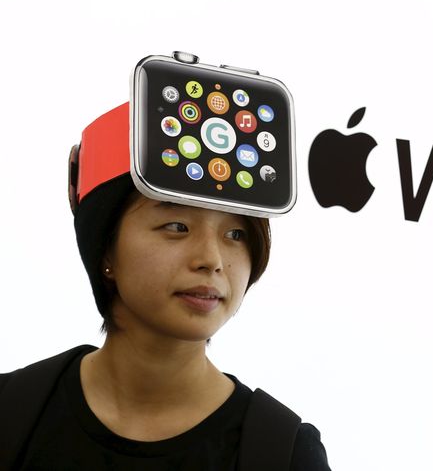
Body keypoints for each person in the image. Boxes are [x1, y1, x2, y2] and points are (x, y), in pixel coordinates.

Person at [0, 169, 332, 468]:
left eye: (235, 234)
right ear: (106, 250)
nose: (212, 260)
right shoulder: (13, 412)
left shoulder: (284, 454)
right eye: (177, 226)